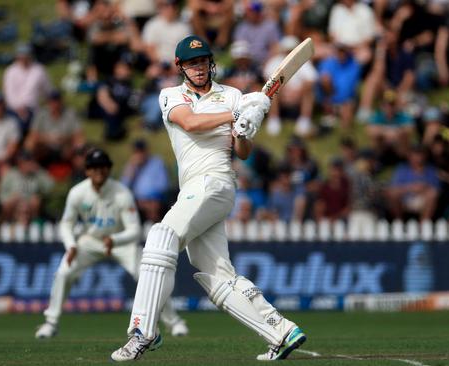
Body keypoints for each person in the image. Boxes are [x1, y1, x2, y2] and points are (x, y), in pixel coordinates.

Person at [111, 35, 306, 362]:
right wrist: (236, 114)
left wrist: (245, 128)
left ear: (210, 63)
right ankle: (281, 331)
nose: (198, 68)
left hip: (215, 183)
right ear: (180, 67)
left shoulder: (232, 95)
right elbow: (191, 122)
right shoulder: (170, 95)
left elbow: (242, 152)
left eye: (202, 62)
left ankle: (143, 331)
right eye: (191, 63)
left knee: (161, 237)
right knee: (216, 276)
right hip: (194, 189)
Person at [35, 148, 188, 339]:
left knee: (147, 276)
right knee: (63, 273)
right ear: (87, 171)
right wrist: (71, 245)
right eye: (94, 167)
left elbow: (133, 230)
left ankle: (175, 323)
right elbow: (66, 223)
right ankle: (51, 323)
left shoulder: (122, 193)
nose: (99, 171)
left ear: (109, 169)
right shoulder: (78, 193)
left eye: (103, 167)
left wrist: (114, 239)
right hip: (90, 241)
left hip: (119, 241)